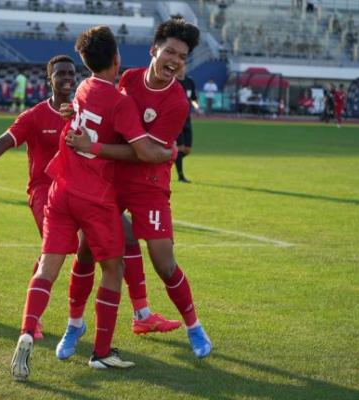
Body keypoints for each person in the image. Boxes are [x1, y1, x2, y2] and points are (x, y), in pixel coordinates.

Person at [10, 26, 176, 381]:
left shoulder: (83, 88)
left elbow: (76, 115)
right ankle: (101, 352)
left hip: (60, 190)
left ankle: (27, 331)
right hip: (95, 196)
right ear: (117, 59)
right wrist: (169, 151)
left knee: (47, 268)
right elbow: (144, 151)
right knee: (113, 269)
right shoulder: (119, 101)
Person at [63, 18, 212, 360]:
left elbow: (145, 155)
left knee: (164, 263)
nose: (174, 61)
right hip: (111, 181)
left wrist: (94, 148)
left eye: (182, 57)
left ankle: (194, 327)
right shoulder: (127, 79)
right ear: (153, 51)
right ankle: (75, 324)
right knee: (85, 249)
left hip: (149, 185)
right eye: (169, 52)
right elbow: (107, 117)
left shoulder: (176, 102)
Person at [0, 55, 76, 340]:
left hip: (79, 190)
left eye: (71, 72)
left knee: (103, 246)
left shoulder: (83, 112)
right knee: (53, 249)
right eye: (60, 73)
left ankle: (139, 311)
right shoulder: (34, 116)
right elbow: (6, 139)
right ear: (49, 79)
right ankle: (34, 321)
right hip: (44, 192)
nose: (67, 77)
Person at [175, 67, 199, 183]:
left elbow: (194, 99)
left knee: (187, 150)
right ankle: (181, 176)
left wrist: (197, 107)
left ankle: (170, 160)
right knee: (180, 148)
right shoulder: (173, 82)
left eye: (183, 66)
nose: (181, 68)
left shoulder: (190, 81)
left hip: (187, 119)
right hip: (177, 119)